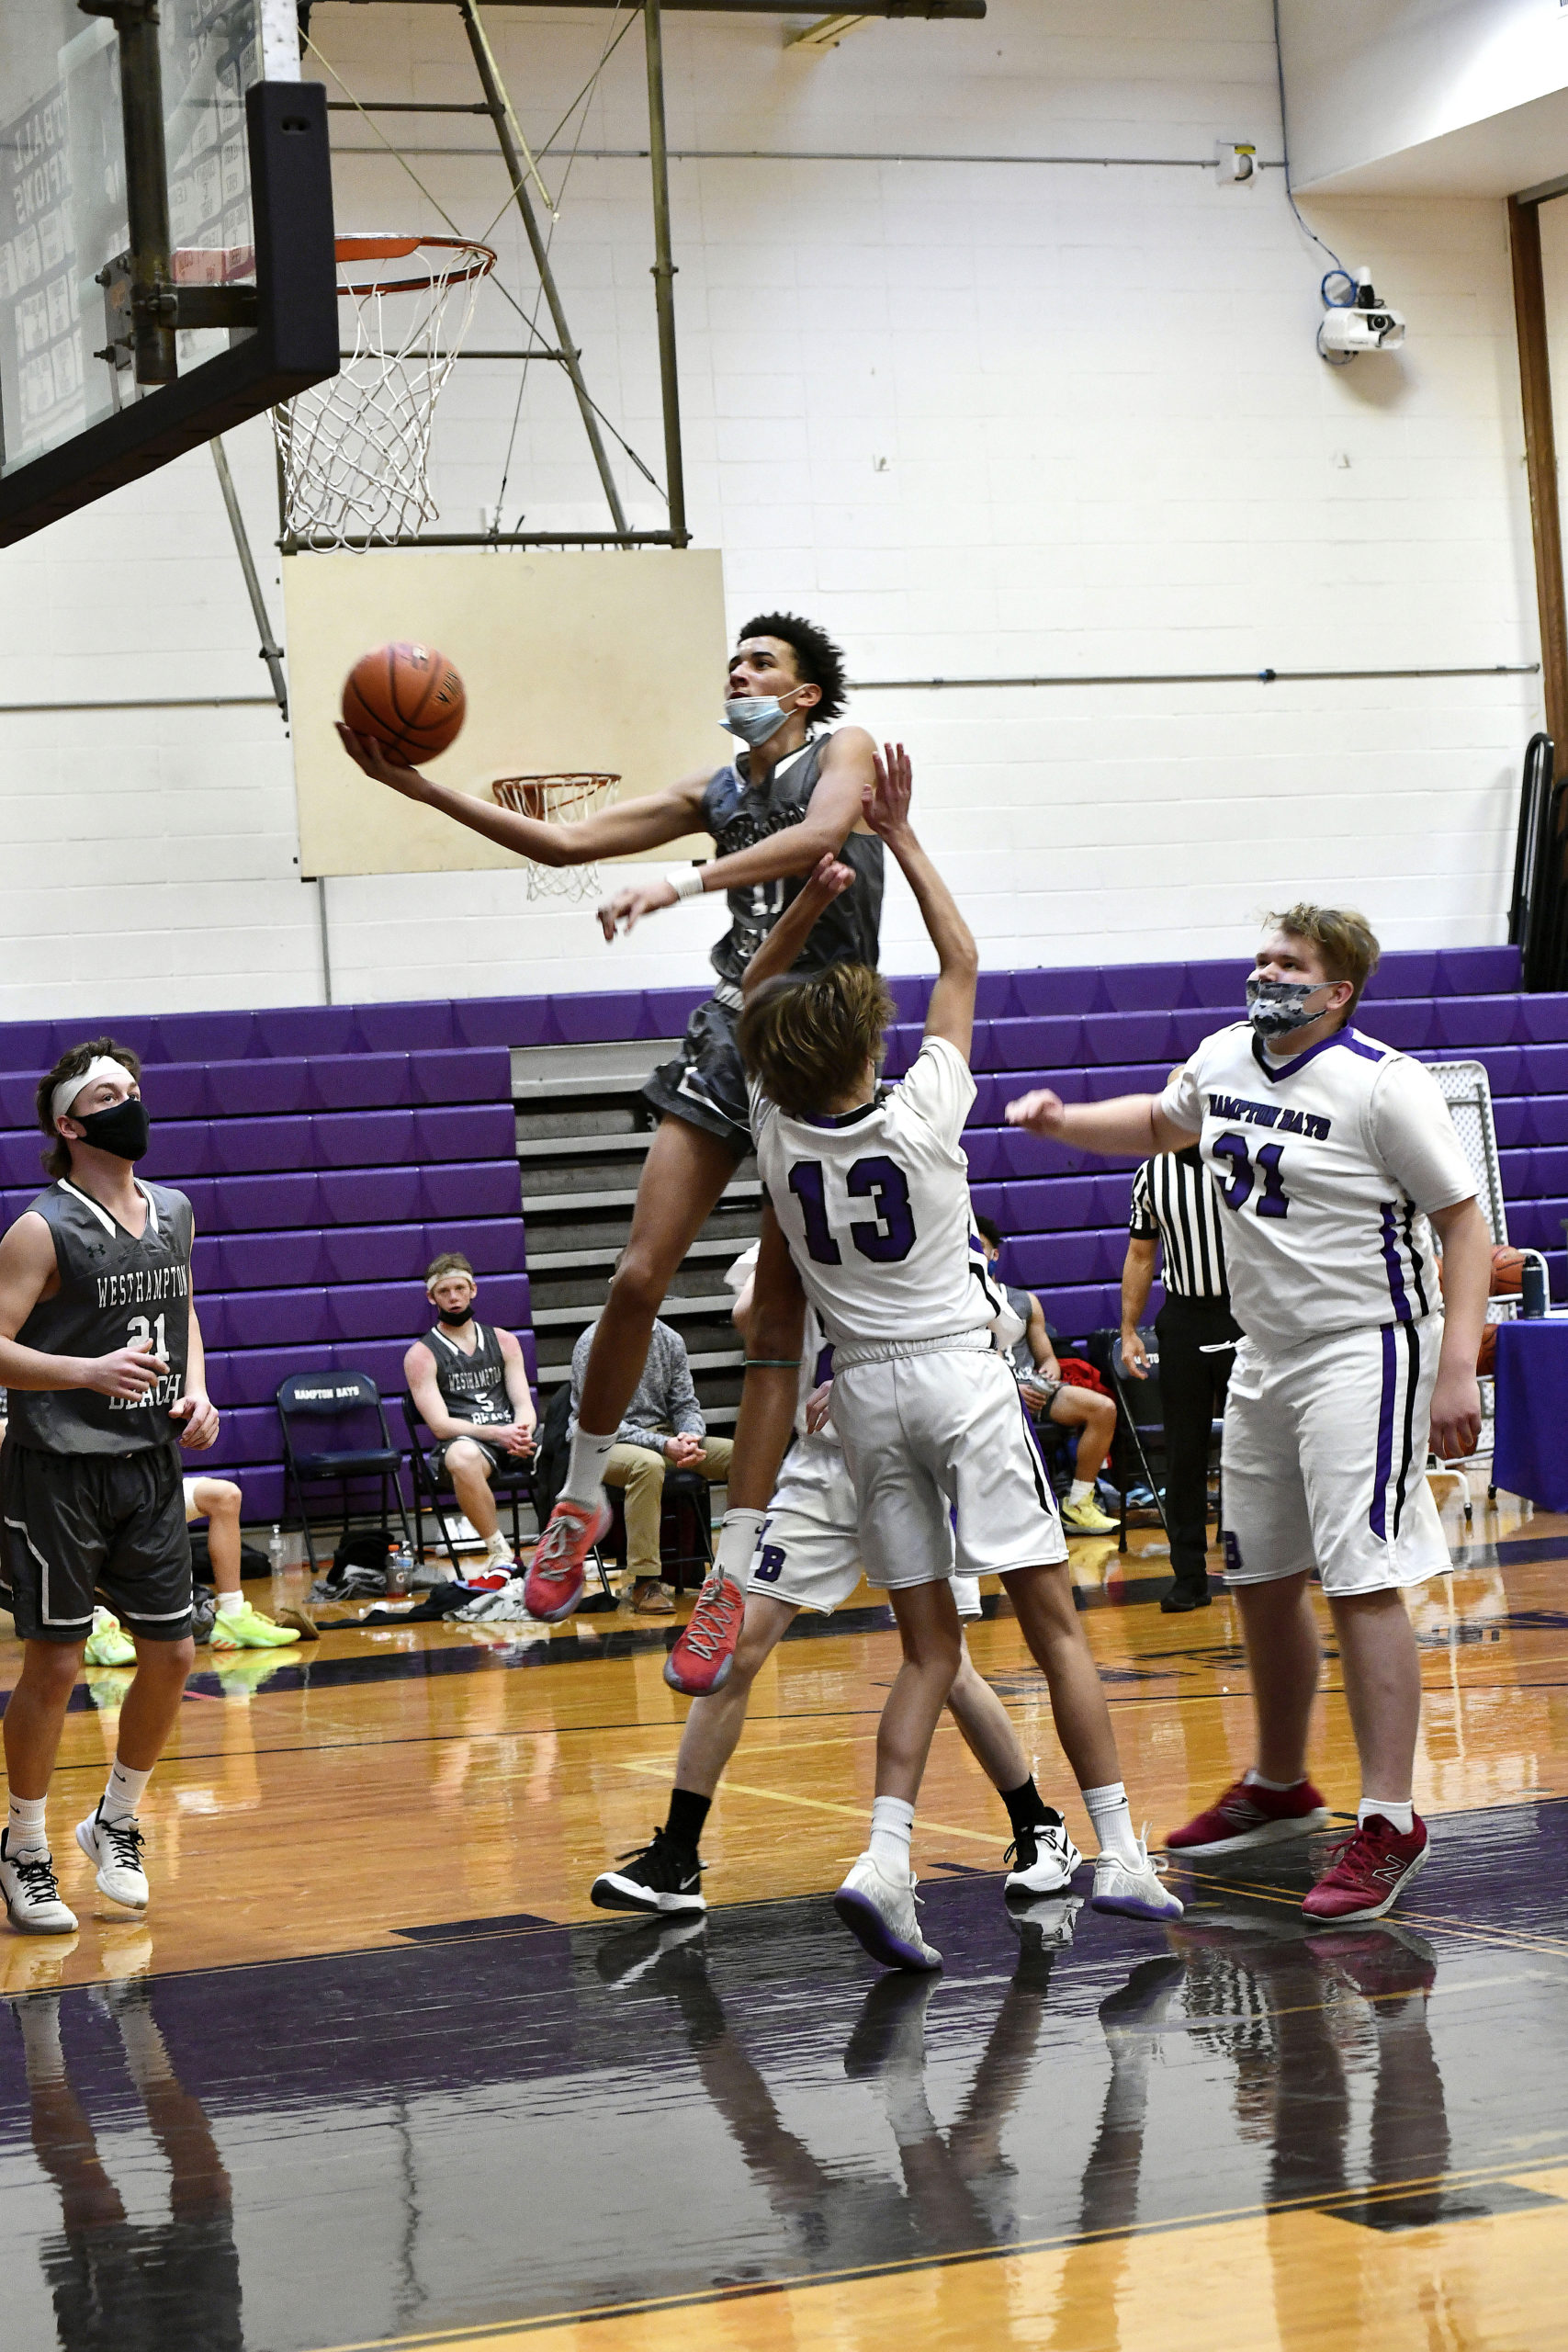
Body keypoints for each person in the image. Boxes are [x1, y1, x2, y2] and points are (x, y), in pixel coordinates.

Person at [340, 615, 882, 1674]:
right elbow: (563, 840)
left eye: (763, 661)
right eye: (733, 656)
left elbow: (822, 838)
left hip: (825, 1037)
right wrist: (420, 792)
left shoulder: (844, 754)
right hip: (736, 1024)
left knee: (775, 1324)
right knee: (635, 1276)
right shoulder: (715, 792)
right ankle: (580, 1497)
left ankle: (731, 1567)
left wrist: (679, 882)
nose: (740, 669)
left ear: (807, 693)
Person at [734, 747, 1179, 1971]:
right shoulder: (924, 1105)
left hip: (863, 1395)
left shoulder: (769, 1131)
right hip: (958, 1376)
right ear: (867, 1050)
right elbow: (961, 962)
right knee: (1054, 1629)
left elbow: (742, 1013)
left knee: (929, 1649)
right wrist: (900, 839)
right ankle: (1119, 1851)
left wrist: (802, 910)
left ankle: (881, 1858)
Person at [1007, 906, 1490, 1923]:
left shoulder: (1383, 1083)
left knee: (1363, 1580)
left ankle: (1392, 1817)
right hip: (1267, 1350)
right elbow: (1156, 1123)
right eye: (1264, 955)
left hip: (1370, 1343)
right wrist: (1064, 1124)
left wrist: (1456, 1367)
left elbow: (1463, 1218)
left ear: (1337, 989)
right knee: (1261, 1575)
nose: (1267, 971)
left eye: (1292, 963)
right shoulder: (1225, 1056)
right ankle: (1281, 1783)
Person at [587, 1239, 1080, 1915]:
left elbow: (988, 1328)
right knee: (737, 1647)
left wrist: (867, 1368)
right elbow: (747, 1317)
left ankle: (1038, 1826)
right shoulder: (800, 1193)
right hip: (823, 1465)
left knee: (946, 1665)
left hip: (909, 1447)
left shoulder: (927, 1196)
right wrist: (843, 1354)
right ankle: (677, 1858)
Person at [0, 1041, 219, 1937]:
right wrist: (83, 1370)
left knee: (172, 1654)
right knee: (55, 1662)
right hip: (56, 1465)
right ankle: (22, 1844)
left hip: (148, 1463)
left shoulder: (174, 1211)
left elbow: (184, 1306)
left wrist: (198, 1387)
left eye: (133, 1089)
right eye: (107, 1094)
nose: (130, 1103)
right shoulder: (39, 1228)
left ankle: (115, 1819)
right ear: (67, 1122)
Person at [1120, 1094, 1240, 1611]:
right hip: (1186, 1318)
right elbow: (1141, 1253)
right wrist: (1129, 1330)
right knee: (1185, 1453)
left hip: (1247, 1315)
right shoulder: (1153, 1174)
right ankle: (1189, 1576)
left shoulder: (1242, 1159)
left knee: (1265, 1448)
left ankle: (1271, 1561)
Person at [568, 1305, 732, 1614]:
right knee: (648, 1464)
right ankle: (645, 1581)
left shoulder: (670, 1339)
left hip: (664, 1437)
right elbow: (597, 1418)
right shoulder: (593, 1341)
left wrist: (690, 1436)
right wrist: (663, 1444)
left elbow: (684, 1403)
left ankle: (736, 1570)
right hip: (600, 1440)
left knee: (739, 1458)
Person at [973, 1214, 1117, 1534]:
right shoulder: (959, 1303)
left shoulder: (1026, 1301)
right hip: (989, 1395)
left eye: (982, 1247)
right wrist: (1009, 1388)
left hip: (1034, 1391)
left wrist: (1047, 1378)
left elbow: (1048, 1357)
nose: (977, 1254)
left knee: (1102, 1409)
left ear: (995, 1253)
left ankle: (1078, 1502)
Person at [404, 1251, 536, 1591]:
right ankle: (499, 1551)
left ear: (473, 1290)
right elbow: (440, 1426)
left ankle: (566, 1552)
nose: (453, 1297)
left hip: (514, 1439)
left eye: (460, 1288)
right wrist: (498, 1433)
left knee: (572, 1441)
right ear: (431, 1297)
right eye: (444, 1291)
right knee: (461, 1456)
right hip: (470, 1443)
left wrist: (522, 1433)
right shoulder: (421, 1354)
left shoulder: (505, 1341)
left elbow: (524, 1403)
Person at [183, 1475, 301, 1649]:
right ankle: (126, 1631)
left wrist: (203, 1444)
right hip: (129, 1490)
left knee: (226, 1496)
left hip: (154, 1482)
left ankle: (232, 1616)